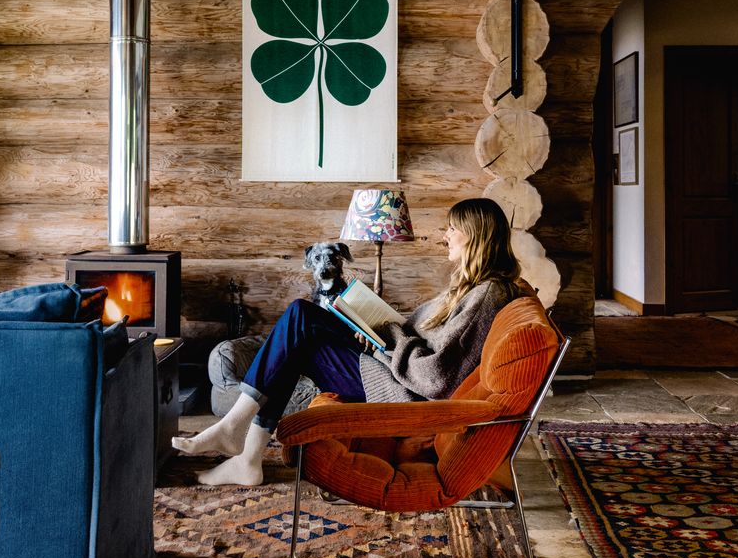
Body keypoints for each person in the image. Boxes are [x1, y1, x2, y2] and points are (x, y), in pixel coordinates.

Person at [174, 197, 528, 487]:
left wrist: (386, 339)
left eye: (452, 228)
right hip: (389, 364)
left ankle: (239, 437)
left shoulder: (484, 296)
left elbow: (436, 375)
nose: (445, 235)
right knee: (300, 327)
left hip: (398, 387)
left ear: (474, 235)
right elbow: (425, 338)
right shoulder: (474, 287)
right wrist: (379, 327)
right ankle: (245, 454)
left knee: (300, 318)